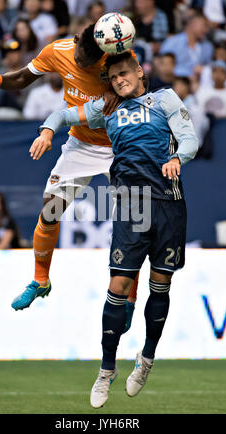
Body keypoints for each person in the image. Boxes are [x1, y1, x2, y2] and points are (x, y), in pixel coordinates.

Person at [35, 50, 199, 408]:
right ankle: (106, 371)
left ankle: (147, 359)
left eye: (125, 73)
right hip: (133, 202)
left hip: (170, 202)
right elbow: (63, 114)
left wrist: (176, 158)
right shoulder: (105, 107)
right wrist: (48, 130)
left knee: (161, 284)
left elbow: (190, 139)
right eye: (113, 77)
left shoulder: (165, 98)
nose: (119, 80)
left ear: (140, 71)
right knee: (118, 286)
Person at [0, 23, 139, 320]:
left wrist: (125, 93)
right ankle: (40, 281)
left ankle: (128, 298)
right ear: (74, 41)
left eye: (88, 62)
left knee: (132, 224)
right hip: (81, 144)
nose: (81, 64)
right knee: (49, 212)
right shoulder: (58, 51)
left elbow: (143, 82)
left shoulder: (117, 57)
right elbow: (23, 77)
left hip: (119, 145)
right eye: (79, 58)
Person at [160, 10, 213, 77]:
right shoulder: (172, 43)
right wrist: (189, 74)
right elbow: (163, 68)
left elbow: (209, 67)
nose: (206, 30)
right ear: (192, 23)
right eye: (204, 25)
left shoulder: (208, 46)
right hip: (175, 82)